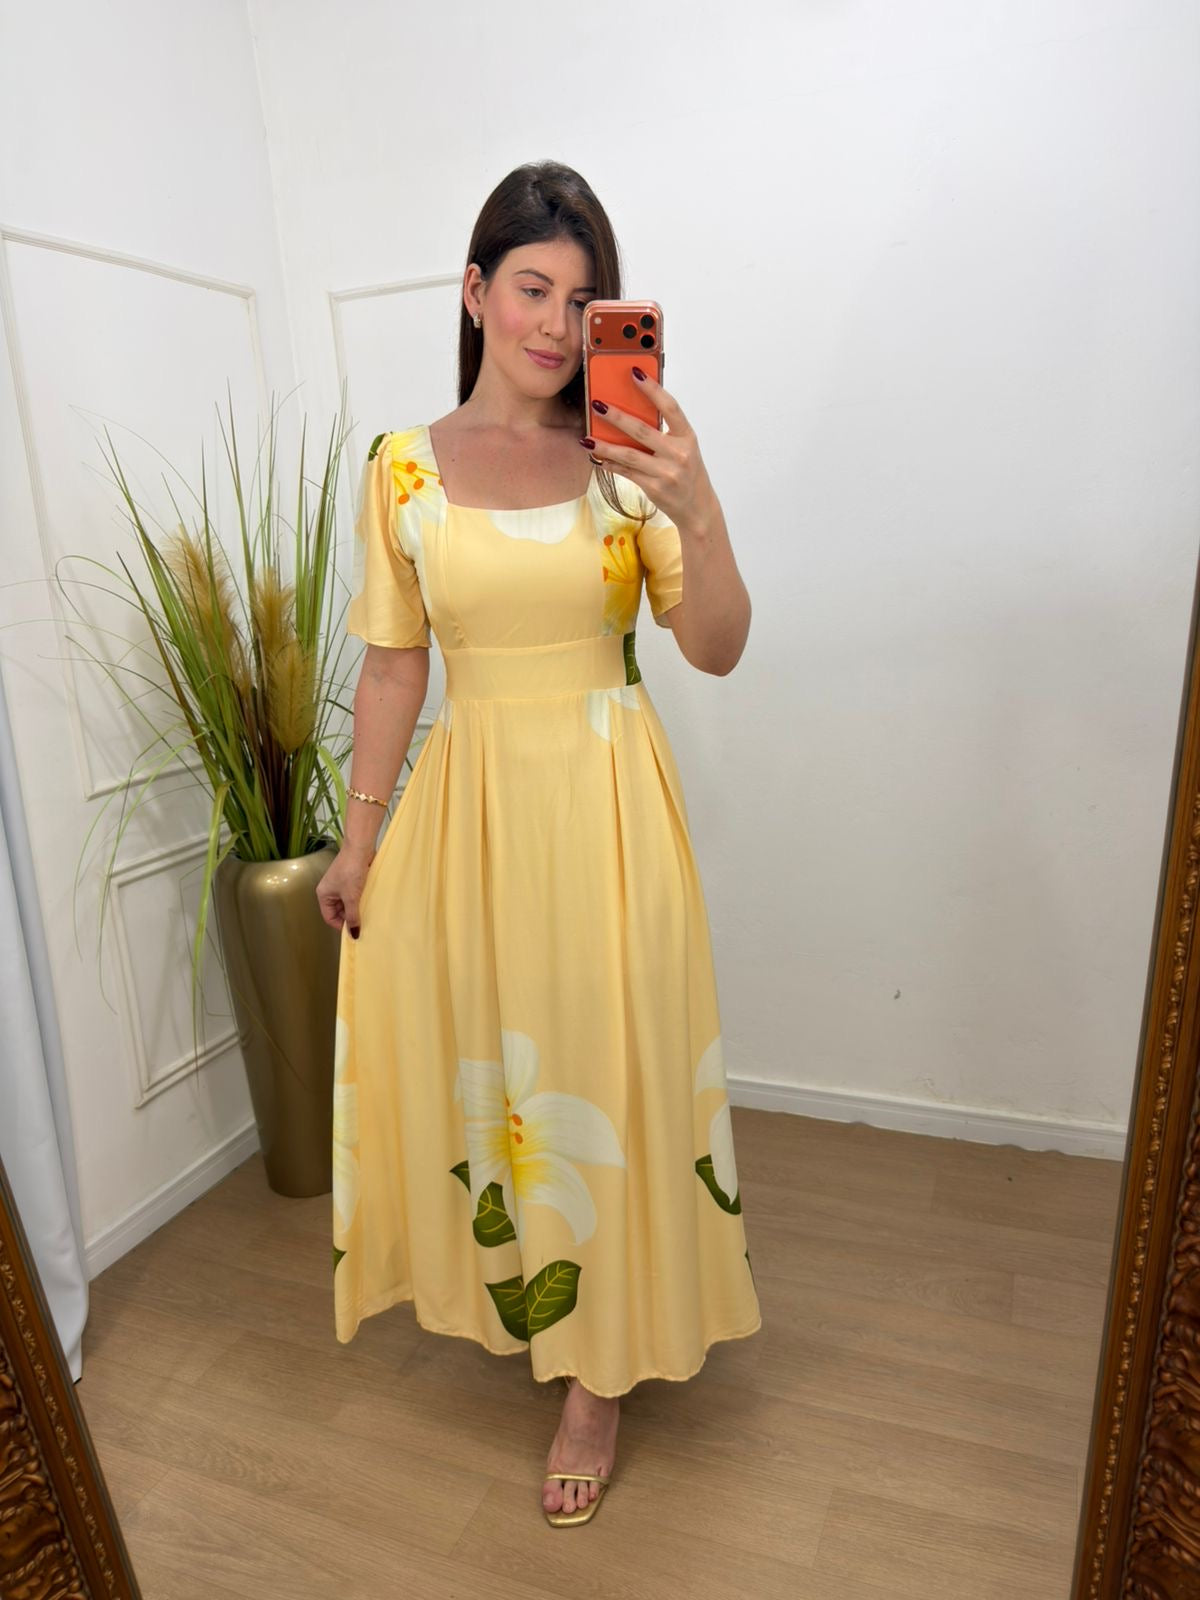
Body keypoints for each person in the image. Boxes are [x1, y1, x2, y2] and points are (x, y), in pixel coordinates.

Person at [316, 160, 761, 1528]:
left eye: (583, 300)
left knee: (608, 1069)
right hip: (474, 815)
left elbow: (718, 647)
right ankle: (536, 1297)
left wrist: (694, 502)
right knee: (509, 1076)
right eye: (531, 288)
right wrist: (358, 840)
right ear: (474, 291)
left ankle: (597, 1376)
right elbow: (395, 666)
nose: (558, 327)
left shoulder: (627, 466)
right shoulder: (401, 468)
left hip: (609, 810)